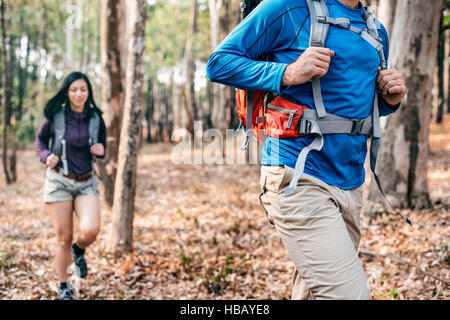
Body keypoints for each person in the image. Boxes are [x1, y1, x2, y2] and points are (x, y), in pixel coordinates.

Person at [206, 0, 406, 299]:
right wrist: (287, 72)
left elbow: (354, 109)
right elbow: (219, 62)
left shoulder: (375, 31)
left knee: (314, 293)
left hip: (351, 183)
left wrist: (390, 99)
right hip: (297, 177)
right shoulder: (288, 8)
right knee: (349, 295)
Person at [36, 72, 107, 300]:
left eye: (83, 90)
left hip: (86, 181)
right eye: (74, 89)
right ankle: (64, 286)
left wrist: (101, 150)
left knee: (90, 230)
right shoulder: (56, 116)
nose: (78, 94)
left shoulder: (96, 117)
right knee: (63, 238)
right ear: (67, 92)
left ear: (88, 92)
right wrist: (46, 155)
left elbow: (102, 145)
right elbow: (40, 140)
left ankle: (79, 249)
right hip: (59, 181)